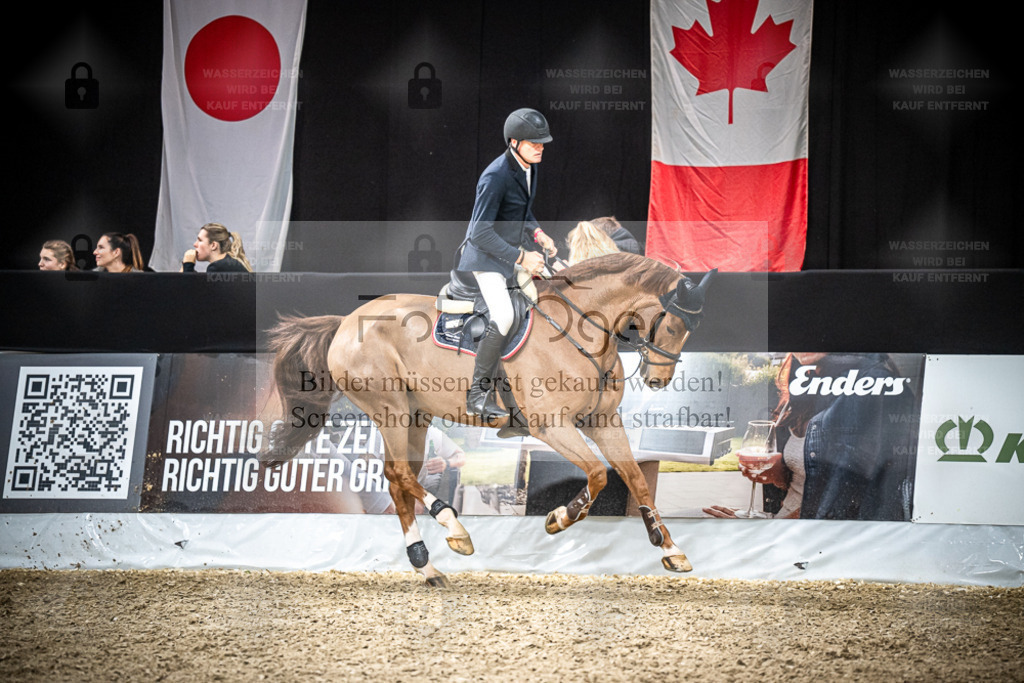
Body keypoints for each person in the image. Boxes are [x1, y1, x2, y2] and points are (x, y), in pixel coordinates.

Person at [703, 353, 919, 521]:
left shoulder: (873, 386)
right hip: (786, 523)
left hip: (807, 536)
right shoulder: (805, 386)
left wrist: (767, 531)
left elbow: (845, 503)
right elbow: (810, 480)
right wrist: (780, 474)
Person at [456, 108, 557, 420]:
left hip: (507, 253)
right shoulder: (496, 175)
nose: (540, 147)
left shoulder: (529, 166)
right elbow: (479, 232)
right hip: (484, 257)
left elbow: (521, 210)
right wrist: (523, 257)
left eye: (542, 142)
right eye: (534, 142)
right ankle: (477, 395)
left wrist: (538, 232)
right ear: (514, 142)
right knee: (503, 314)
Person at [181, 223, 253, 272]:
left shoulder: (218, 267)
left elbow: (193, 293)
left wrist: (188, 266)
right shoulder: (226, 263)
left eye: (200, 240)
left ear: (213, 245)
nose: (195, 244)